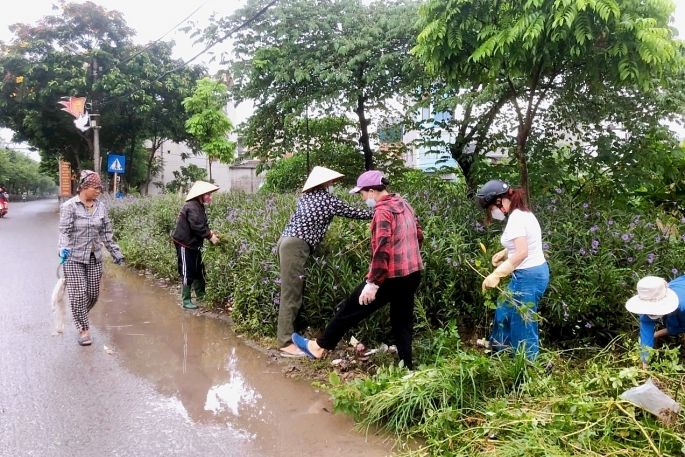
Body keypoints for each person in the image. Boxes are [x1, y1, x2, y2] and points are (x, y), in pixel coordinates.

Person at [291, 170, 423, 369]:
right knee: (402, 320)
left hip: (391, 277)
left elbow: (381, 250)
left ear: (371, 191)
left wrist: (373, 283)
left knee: (351, 309)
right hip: (412, 273)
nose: (362, 198)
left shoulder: (382, 211)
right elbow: (419, 235)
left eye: (361, 194)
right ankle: (408, 366)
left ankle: (319, 346)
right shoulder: (404, 204)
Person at [277, 166, 373, 357]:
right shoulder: (327, 200)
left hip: (287, 242)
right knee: (291, 293)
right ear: (324, 184)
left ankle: (292, 334)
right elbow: (356, 213)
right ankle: (285, 342)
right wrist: (382, 210)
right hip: (296, 246)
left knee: (294, 290)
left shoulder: (306, 198)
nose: (332, 185)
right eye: (330, 183)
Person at [476, 179, 549, 360]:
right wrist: (505, 252)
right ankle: (500, 354)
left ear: (499, 201)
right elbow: (524, 243)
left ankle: (527, 367)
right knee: (504, 310)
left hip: (529, 277)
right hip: (530, 273)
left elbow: (523, 252)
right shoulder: (522, 214)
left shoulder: (516, 218)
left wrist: (497, 273)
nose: (492, 213)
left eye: (491, 207)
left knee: (523, 323)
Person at [58, 170, 124, 346]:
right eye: (96, 188)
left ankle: (79, 314)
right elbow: (64, 232)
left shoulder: (101, 207)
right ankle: (83, 329)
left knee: (93, 295)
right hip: (74, 257)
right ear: (85, 187)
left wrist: (116, 252)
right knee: (79, 294)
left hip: (94, 257)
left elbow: (106, 233)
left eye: (100, 189)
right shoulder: (69, 207)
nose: (99, 191)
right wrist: (63, 248)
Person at [171, 181, 220, 310]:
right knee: (188, 270)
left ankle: (201, 295)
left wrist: (210, 233)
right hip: (185, 244)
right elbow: (197, 226)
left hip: (194, 244)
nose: (210, 197)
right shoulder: (192, 207)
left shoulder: (199, 206)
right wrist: (210, 237)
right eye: (208, 194)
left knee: (199, 268)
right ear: (201, 195)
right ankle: (186, 300)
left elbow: (203, 225)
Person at [625, 275, 685, 368]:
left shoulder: (682, 306)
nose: (651, 312)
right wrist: (645, 363)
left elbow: (680, 327)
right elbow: (646, 333)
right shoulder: (647, 305)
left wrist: (657, 334)